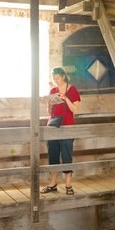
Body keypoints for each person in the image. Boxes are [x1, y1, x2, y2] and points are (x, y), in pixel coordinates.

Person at [41, 67, 81, 195]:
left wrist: (65, 98)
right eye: (54, 78)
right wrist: (48, 103)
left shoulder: (73, 89)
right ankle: (53, 183)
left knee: (66, 154)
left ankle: (68, 184)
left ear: (63, 76)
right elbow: (50, 112)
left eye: (57, 78)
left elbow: (75, 110)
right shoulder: (53, 90)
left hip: (67, 127)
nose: (56, 81)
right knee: (53, 155)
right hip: (53, 126)